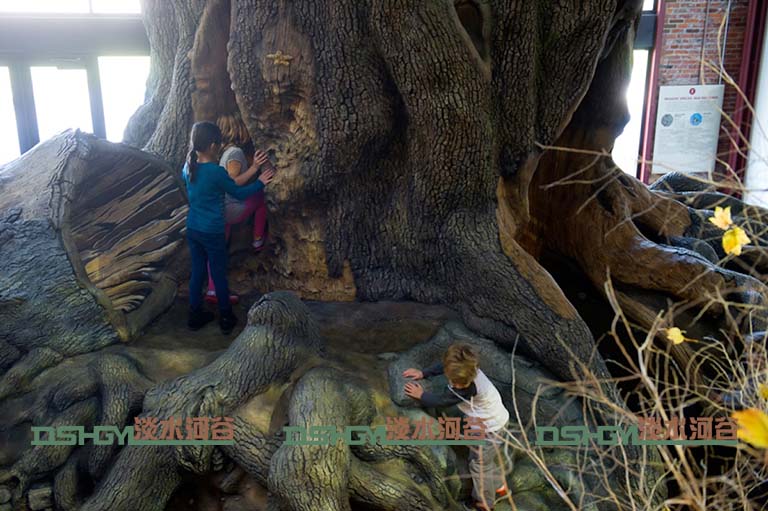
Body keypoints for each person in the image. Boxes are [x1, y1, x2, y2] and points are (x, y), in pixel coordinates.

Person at [182, 121, 275, 334]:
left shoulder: (187, 167)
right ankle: (226, 317)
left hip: (193, 228)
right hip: (213, 231)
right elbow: (239, 193)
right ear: (213, 145)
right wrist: (260, 180)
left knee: (197, 272)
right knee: (218, 272)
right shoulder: (215, 172)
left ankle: (194, 315)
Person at [403, 344, 510, 511]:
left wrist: (421, 395)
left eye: (460, 383)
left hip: (489, 428)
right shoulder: (467, 368)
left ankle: (484, 504)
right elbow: (443, 366)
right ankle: (499, 486)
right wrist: (423, 373)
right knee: (485, 460)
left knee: (478, 464)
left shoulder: (468, 387)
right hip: (493, 419)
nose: (457, 386)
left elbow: (442, 401)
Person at [204, 113, 271, 305]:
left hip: (219, 210)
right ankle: (258, 240)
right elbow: (233, 182)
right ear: (238, 129)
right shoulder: (235, 153)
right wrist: (255, 170)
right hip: (231, 208)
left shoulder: (223, 153)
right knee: (262, 197)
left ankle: (212, 290)